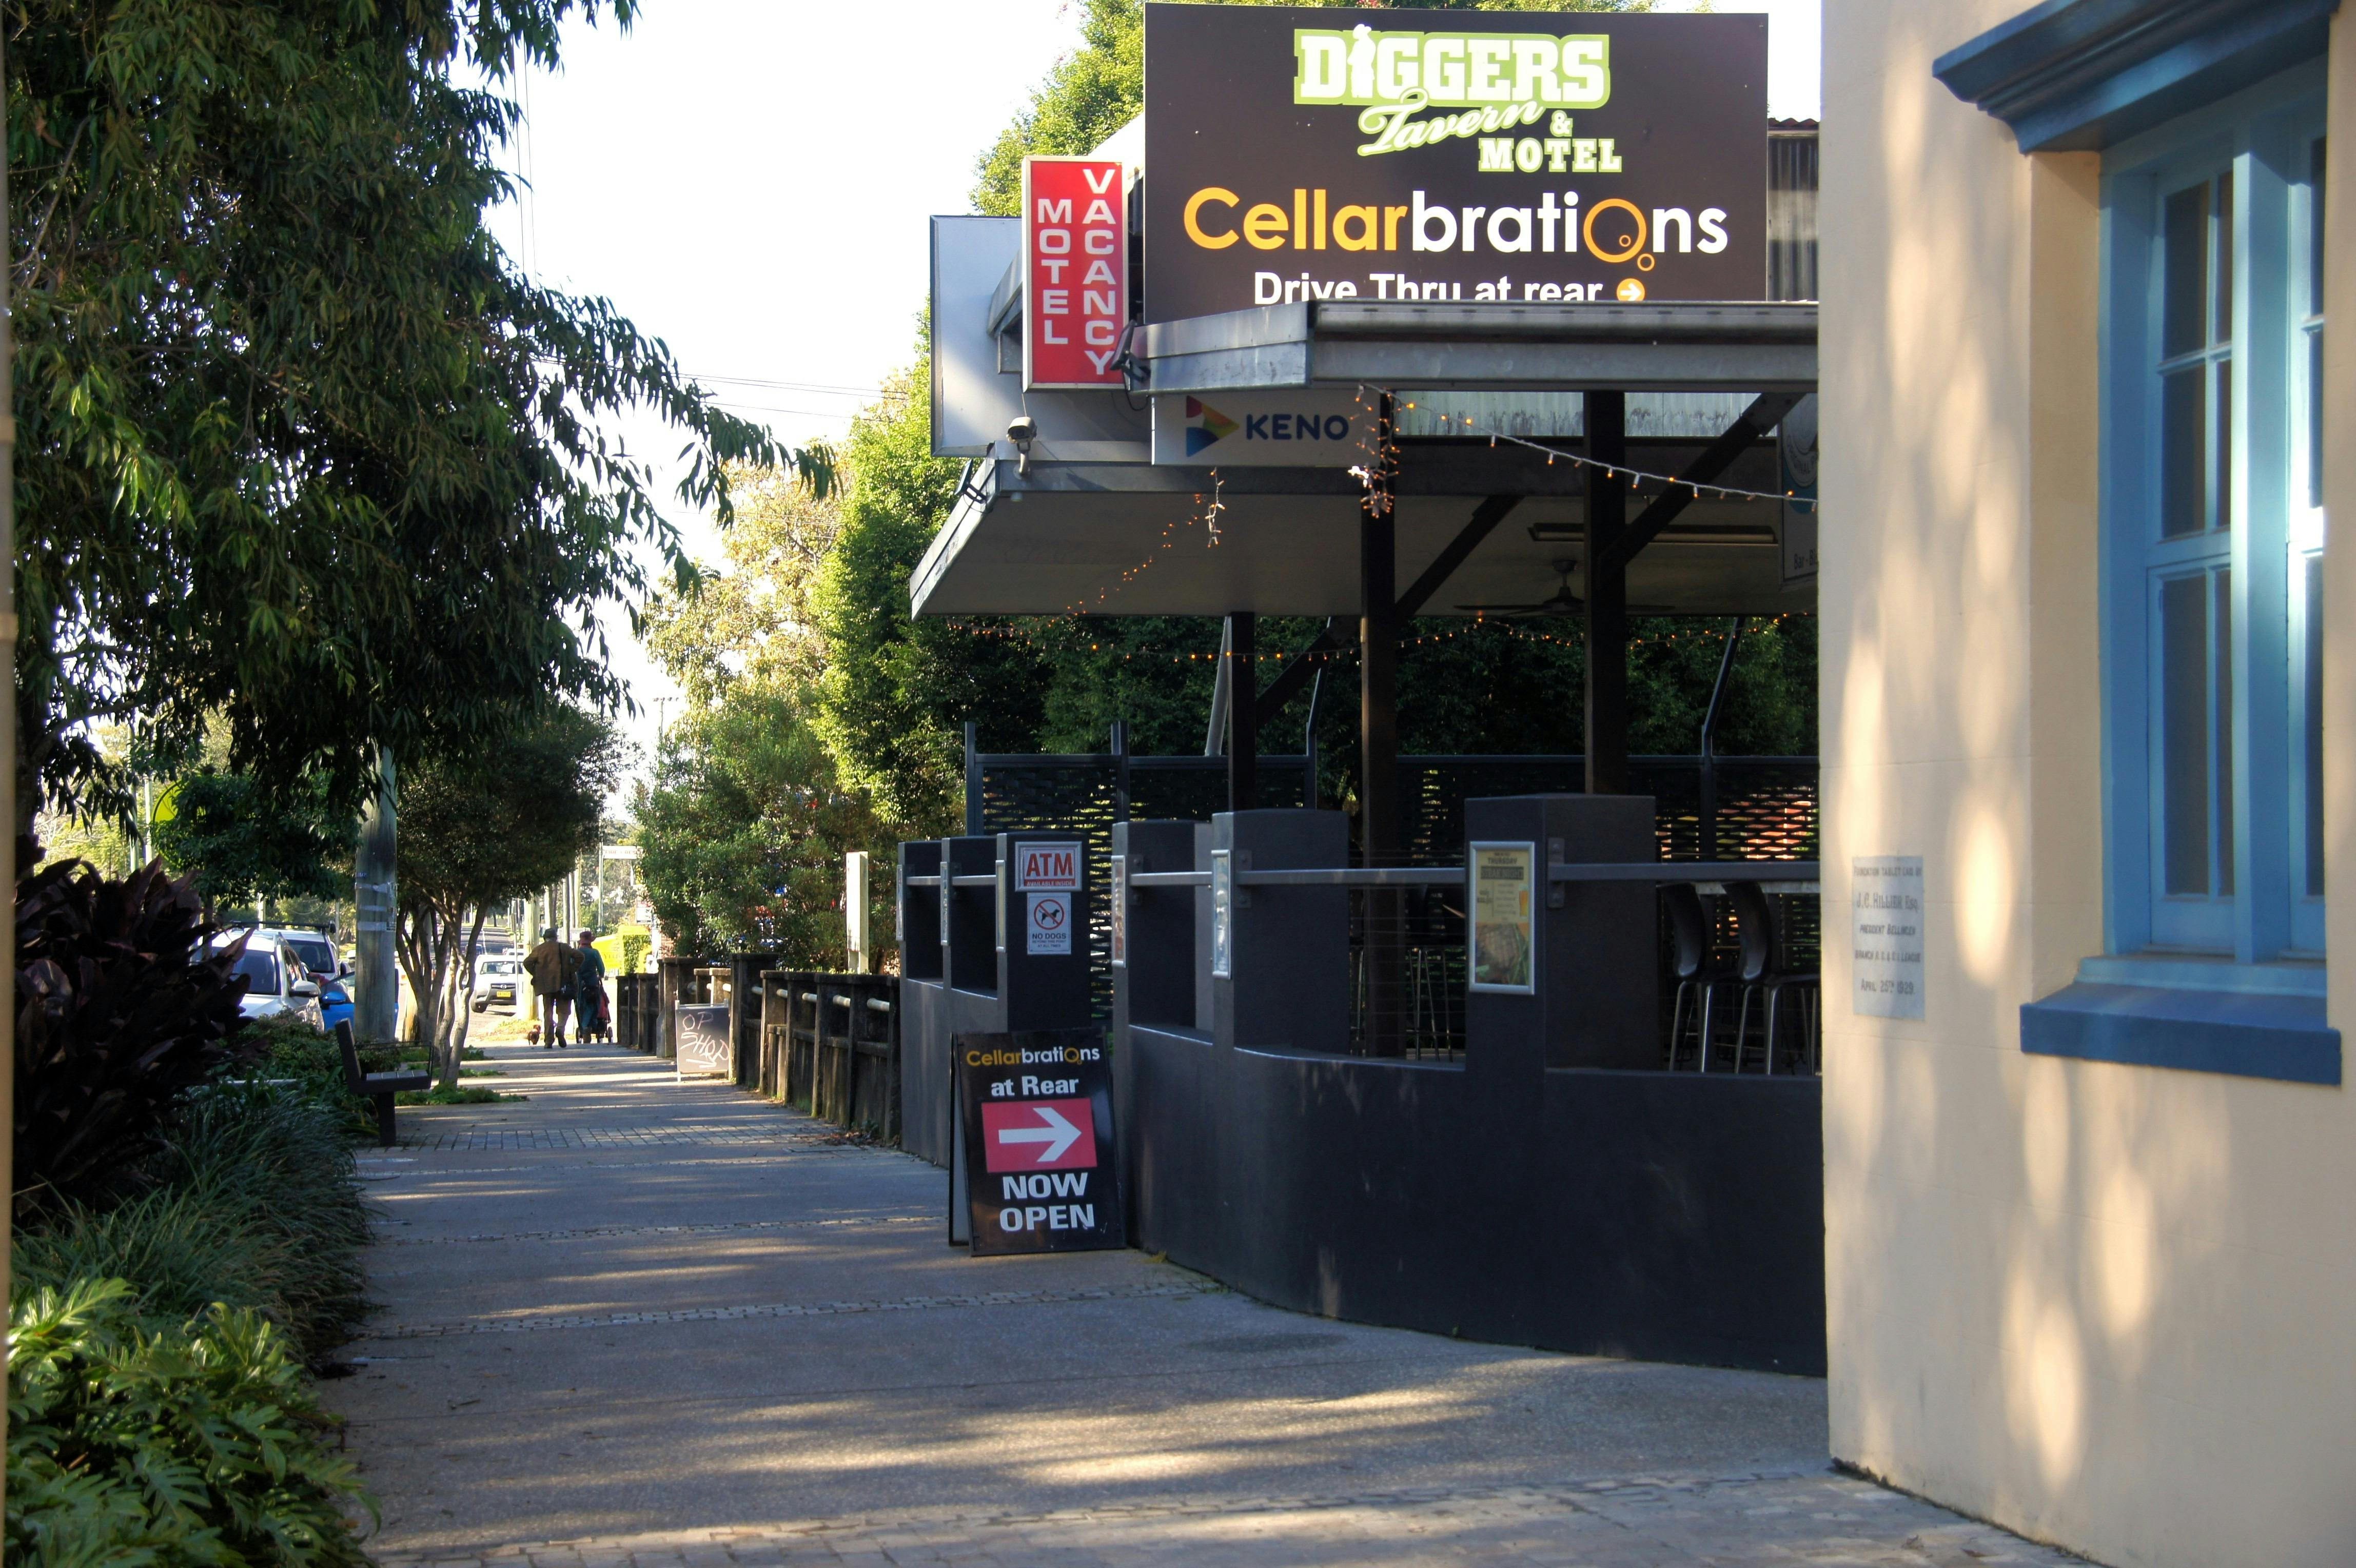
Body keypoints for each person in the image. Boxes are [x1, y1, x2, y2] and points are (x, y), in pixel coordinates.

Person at [523, 926, 580, 1048]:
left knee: (548, 1012)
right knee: (564, 1010)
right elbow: (580, 957)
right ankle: (560, 1029)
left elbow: (527, 962)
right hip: (563, 984)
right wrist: (570, 970)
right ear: (556, 937)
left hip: (546, 986)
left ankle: (548, 1041)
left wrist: (537, 973)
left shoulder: (539, 950)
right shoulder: (564, 948)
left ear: (545, 938)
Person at [573, 929, 608, 1043]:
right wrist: (600, 976)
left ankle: (584, 1027)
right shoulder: (594, 953)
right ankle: (589, 1026)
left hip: (579, 984)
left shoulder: (576, 953)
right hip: (592, 983)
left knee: (581, 1006)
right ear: (590, 941)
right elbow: (601, 969)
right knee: (594, 1005)